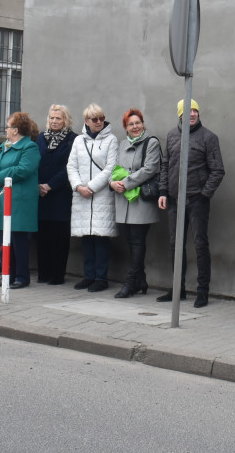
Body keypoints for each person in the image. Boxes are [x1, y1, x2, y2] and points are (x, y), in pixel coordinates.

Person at [157, 99, 226, 308]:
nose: (192, 114)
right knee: (175, 245)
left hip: (197, 200)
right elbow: (165, 165)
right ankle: (178, 289)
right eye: (188, 111)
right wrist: (162, 191)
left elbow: (218, 170)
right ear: (180, 114)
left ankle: (202, 291)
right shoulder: (171, 136)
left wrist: (204, 195)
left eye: (195, 110)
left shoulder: (209, 137)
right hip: (174, 200)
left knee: (200, 244)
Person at [110, 108, 162, 298]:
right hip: (124, 200)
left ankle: (131, 281)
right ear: (126, 126)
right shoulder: (122, 144)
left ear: (143, 123)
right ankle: (140, 280)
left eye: (137, 123)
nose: (135, 127)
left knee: (138, 241)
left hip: (141, 200)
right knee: (131, 242)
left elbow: (149, 169)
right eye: (131, 124)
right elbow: (114, 167)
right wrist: (112, 182)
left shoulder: (151, 143)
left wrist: (126, 182)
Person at [67, 104, 118, 293]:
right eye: (94, 119)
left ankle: (100, 277)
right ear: (87, 121)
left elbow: (110, 167)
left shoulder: (111, 140)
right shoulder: (79, 141)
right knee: (86, 238)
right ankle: (88, 276)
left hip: (101, 195)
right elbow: (71, 166)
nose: (98, 122)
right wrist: (78, 186)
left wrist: (91, 187)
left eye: (101, 118)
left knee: (101, 238)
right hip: (82, 196)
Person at [0, 112, 40, 288]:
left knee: (18, 241)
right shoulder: (5, 146)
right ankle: (6, 274)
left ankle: (22, 277)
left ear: (16, 130)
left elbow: (23, 169)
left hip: (19, 201)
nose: (6, 130)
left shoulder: (30, 147)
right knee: (4, 239)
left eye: (8, 127)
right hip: (2, 199)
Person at [35, 105, 77, 285]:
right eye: (51, 118)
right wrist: (38, 185)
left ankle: (57, 275)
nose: (54, 121)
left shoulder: (73, 140)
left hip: (60, 194)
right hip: (41, 196)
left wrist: (50, 185)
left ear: (65, 120)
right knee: (43, 236)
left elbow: (70, 167)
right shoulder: (40, 138)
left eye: (58, 118)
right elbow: (34, 162)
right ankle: (43, 272)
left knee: (59, 237)